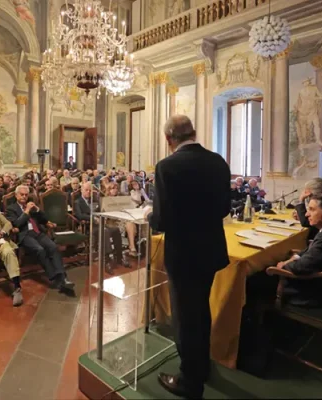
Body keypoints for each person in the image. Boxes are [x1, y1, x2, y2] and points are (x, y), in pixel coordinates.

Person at [146, 115, 230, 399]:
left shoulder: (167, 167)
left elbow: (162, 220)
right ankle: (201, 365)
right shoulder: (218, 161)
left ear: (169, 139)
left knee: (184, 316)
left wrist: (149, 215)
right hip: (211, 249)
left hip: (183, 254)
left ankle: (190, 381)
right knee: (201, 310)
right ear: (193, 133)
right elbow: (223, 208)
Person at [5, 185, 75, 294]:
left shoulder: (32, 206)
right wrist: (26, 211)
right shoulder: (11, 208)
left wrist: (37, 210)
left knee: (53, 247)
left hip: (37, 232)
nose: (24, 197)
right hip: (25, 235)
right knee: (39, 250)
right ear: (16, 195)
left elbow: (44, 220)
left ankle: (62, 277)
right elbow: (16, 224)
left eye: (26, 195)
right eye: (21, 194)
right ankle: (55, 278)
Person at [74, 182, 127, 274]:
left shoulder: (95, 200)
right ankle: (106, 261)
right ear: (81, 190)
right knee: (105, 231)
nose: (88, 192)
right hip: (89, 226)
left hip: (101, 223)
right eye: (86, 190)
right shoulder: (77, 202)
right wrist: (93, 218)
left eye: (90, 190)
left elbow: (101, 209)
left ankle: (119, 257)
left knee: (116, 230)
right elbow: (79, 215)